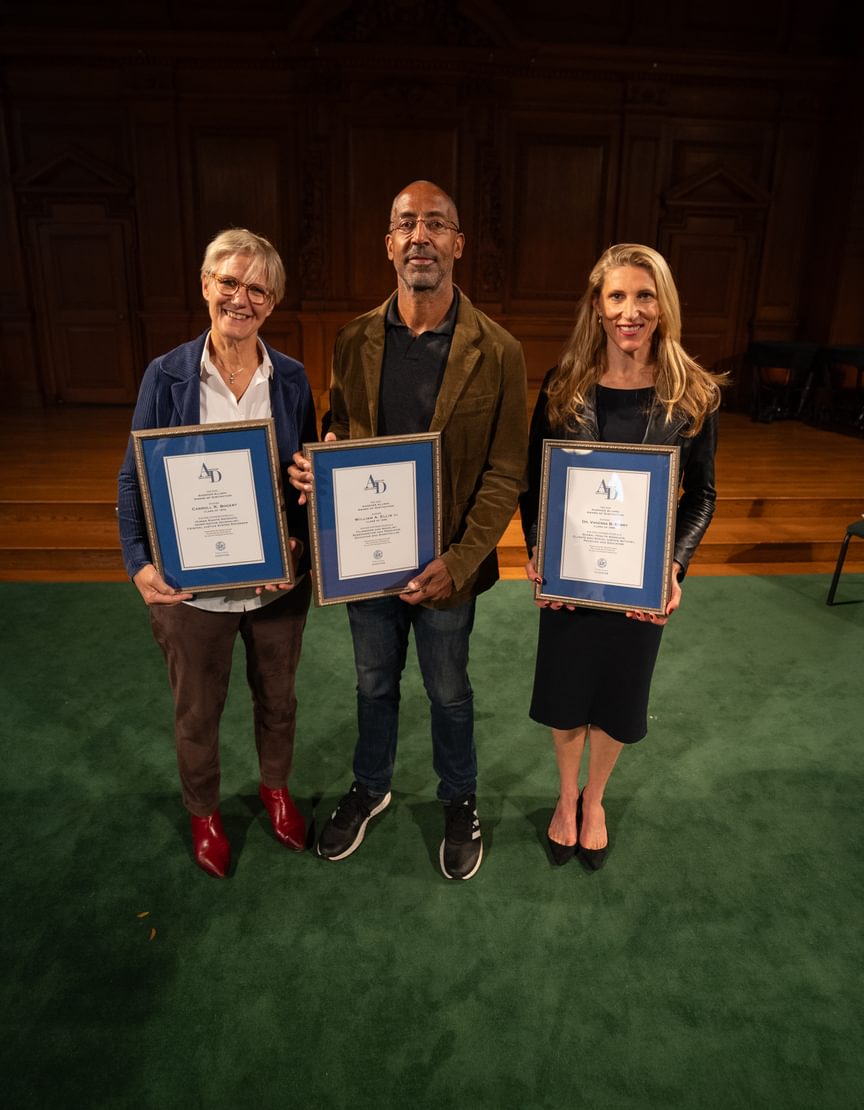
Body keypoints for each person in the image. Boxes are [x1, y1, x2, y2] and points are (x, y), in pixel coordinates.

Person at [290, 180, 528, 880]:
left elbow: (507, 470)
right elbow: (343, 429)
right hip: (367, 562)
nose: (419, 236)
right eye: (405, 224)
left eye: (435, 224)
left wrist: (458, 561)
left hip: (448, 568)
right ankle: (371, 784)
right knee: (373, 683)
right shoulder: (354, 338)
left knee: (449, 689)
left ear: (459, 243)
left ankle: (460, 798)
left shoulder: (500, 349)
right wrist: (320, 463)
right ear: (388, 243)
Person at [118, 228, 317, 878]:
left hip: (274, 586)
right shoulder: (168, 375)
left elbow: (302, 471)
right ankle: (204, 813)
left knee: (278, 699)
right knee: (197, 710)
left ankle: (275, 789)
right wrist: (139, 561)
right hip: (192, 589)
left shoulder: (289, 378)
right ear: (206, 286)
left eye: (257, 288)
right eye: (229, 282)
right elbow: (135, 476)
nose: (241, 297)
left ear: (273, 300)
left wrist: (307, 493)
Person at [520, 243, 722, 870]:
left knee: (619, 696)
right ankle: (563, 795)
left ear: (663, 305)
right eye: (616, 297)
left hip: (640, 584)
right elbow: (535, 482)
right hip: (571, 573)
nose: (629, 311)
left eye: (643, 295)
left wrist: (675, 566)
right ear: (597, 307)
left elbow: (703, 496)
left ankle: (596, 798)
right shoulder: (563, 387)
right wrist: (535, 549)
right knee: (565, 692)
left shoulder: (694, 395)